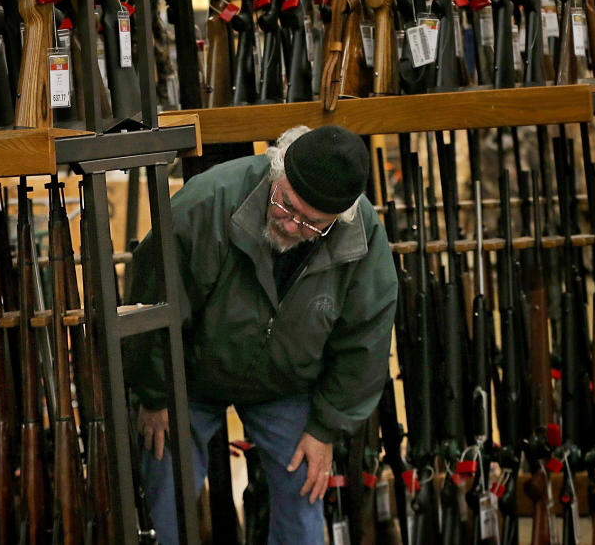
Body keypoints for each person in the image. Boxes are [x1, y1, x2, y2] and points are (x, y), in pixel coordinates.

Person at [126, 125, 398, 544]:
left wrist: (325, 429)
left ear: (340, 219)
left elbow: (365, 341)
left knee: (306, 496)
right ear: (276, 170)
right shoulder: (206, 202)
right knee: (166, 496)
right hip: (188, 378)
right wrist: (155, 393)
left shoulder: (362, 235)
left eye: (312, 223)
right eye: (285, 204)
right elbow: (155, 304)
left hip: (287, 384)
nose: (291, 225)